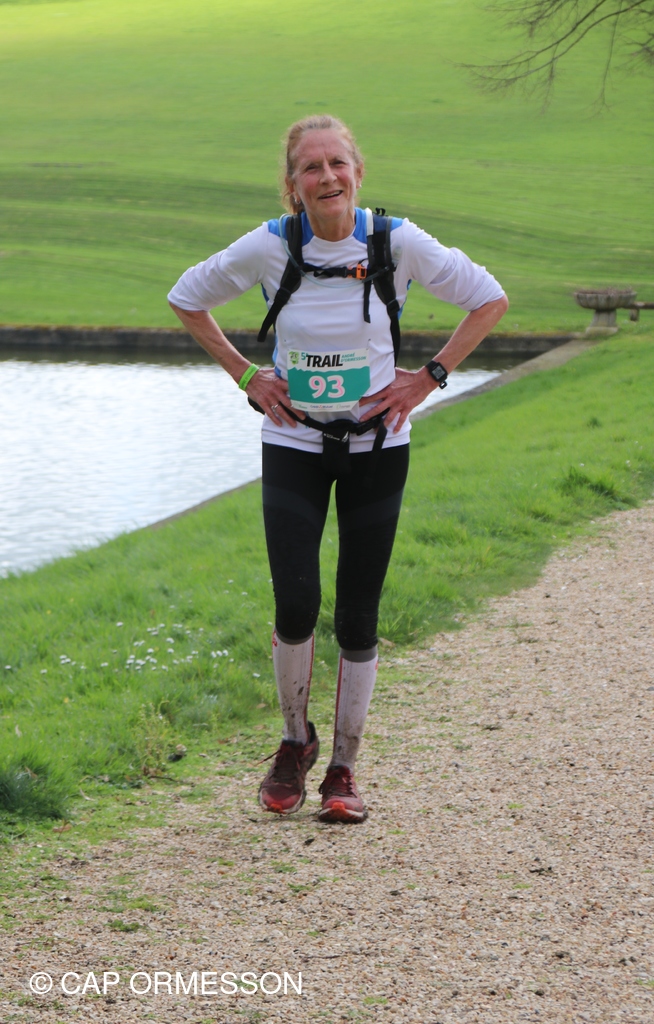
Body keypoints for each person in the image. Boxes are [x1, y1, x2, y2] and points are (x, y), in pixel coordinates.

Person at [168, 114, 508, 823]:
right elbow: (186, 297)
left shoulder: (396, 242)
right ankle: (295, 741)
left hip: (376, 448)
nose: (327, 177)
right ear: (292, 184)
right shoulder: (269, 246)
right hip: (293, 443)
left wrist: (429, 378)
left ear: (357, 172)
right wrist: (247, 377)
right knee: (295, 602)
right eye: (311, 168)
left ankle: (345, 768)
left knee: (358, 613)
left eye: (337, 164)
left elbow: (489, 299)